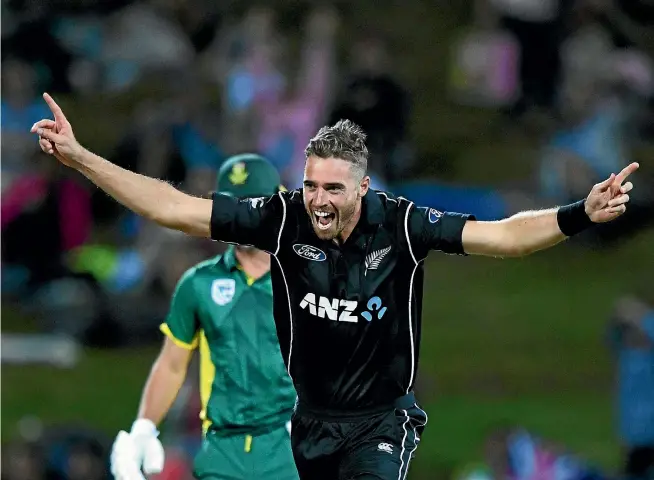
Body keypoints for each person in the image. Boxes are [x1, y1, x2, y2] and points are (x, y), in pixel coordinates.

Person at [32, 92, 637, 480]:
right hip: (308, 423)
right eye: (312, 185)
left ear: (364, 187)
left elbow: (504, 237)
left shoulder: (401, 224)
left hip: (380, 422)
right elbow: (173, 207)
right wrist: (82, 157)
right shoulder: (282, 217)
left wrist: (579, 213)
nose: (319, 201)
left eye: (334, 189)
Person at [109, 154, 299, 480]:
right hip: (222, 450)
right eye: (235, 205)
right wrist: (144, 427)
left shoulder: (307, 278)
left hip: (292, 447)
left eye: (254, 204)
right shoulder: (199, 283)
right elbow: (172, 363)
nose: (244, 216)